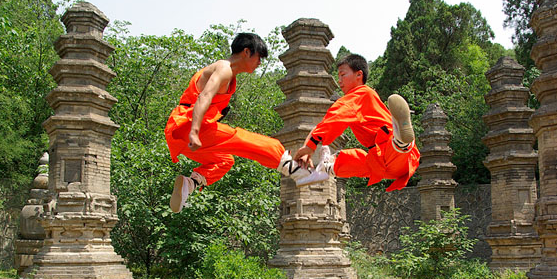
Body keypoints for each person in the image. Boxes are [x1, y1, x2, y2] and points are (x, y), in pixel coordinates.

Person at [164, 32, 309, 212]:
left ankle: (189, 184)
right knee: (239, 138)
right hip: (188, 126)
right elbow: (205, 96)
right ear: (246, 52)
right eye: (259, 58)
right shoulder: (224, 68)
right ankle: (292, 168)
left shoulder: (229, 75)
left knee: (225, 160)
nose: (259, 63)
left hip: (180, 138)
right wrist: (194, 131)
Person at [294, 53, 420, 192]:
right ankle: (329, 167)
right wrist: (308, 147)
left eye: (343, 75)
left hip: (387, 151)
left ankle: (400, 140)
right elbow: (326, 122)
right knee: (358, 160)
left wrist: (310, 146)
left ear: (359, 75)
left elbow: (335, 117)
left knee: (371, 156)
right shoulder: (360, 99)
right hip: (393, 164)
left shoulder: (360, 93)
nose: (339, 80)